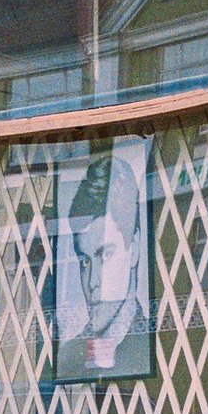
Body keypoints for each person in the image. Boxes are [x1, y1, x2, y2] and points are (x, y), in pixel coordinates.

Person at [53, 147, 152, 381]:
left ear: (134, 248)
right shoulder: (68, 357)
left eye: (105, 255)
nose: (93, 281)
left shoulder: (153, 347)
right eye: (85, 261)